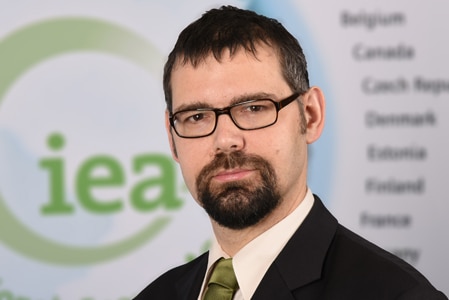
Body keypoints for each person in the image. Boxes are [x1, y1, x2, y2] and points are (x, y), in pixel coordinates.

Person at [134, 5, 447, 300]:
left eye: (254, 108)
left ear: (310, 116)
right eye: (197, 116)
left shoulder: (398, 295)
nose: (225, 139)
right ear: (172, 137)